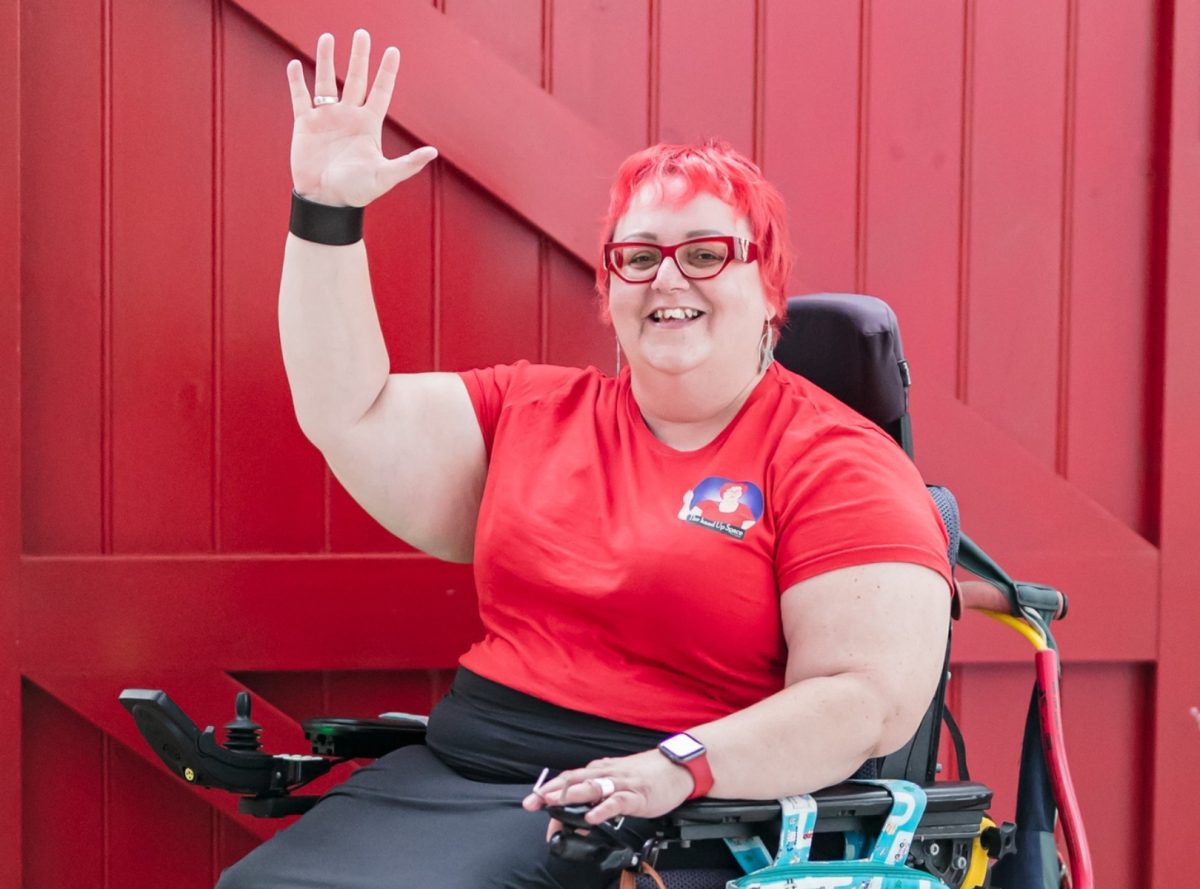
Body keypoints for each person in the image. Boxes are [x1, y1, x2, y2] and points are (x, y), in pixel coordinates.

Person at [216, 28, 953, 889]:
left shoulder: (838, 463)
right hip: (475, 768)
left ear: (770, 288)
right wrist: (324, 214)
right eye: (638, 258)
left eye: (706, 253)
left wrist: (678, 764)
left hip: (687, 802)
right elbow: (350, 407)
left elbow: (864, 699)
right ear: (608, 292)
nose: (667, 279)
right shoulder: (531, 412)